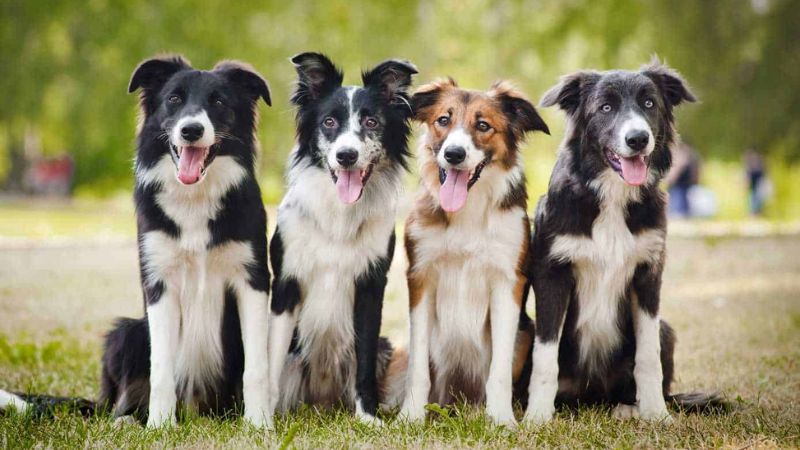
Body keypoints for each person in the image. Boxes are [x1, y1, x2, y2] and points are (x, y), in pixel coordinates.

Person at [744, 147, 769, 216]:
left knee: (756, 198)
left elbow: (748, 175)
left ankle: (755, 212)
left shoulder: (754, 164)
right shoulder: (755, 164)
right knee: (754, 198)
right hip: (754, 185)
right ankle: (754, 212)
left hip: (757, 185)